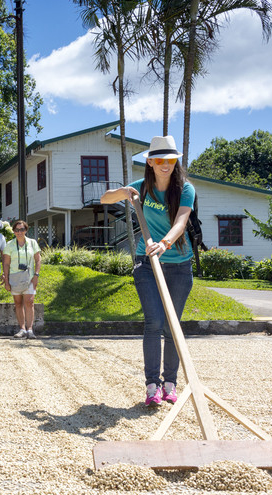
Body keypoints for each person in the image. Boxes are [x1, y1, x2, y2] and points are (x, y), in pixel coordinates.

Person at [100, 135, 195, 407]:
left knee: (172, 326)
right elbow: (106, 198)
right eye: (160, 160)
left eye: (171, 160)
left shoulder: (185, 189)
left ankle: (170, 383)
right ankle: (152, 385)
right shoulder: (141, 187)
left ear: (175, 162)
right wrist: (125, 193)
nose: (166, 165)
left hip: (178, 264)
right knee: (153, 323)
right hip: (146, 264)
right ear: (151, 162)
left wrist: (165, 243)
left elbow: (181, 220)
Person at [2, 220, 41, 339]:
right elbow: (6, 263)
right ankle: (22, 329)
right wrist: (6, 280)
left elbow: (38, 259)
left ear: (26, 230)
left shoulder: (32, 243)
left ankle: (30, 329)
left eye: (22, 229)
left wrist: (36, 275)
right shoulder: (9, 244)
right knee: (18, 303)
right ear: (13, 231)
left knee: (29, 302)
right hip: (15, 277)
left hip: (29, 276)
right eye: (17, 230)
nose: (19, 232)